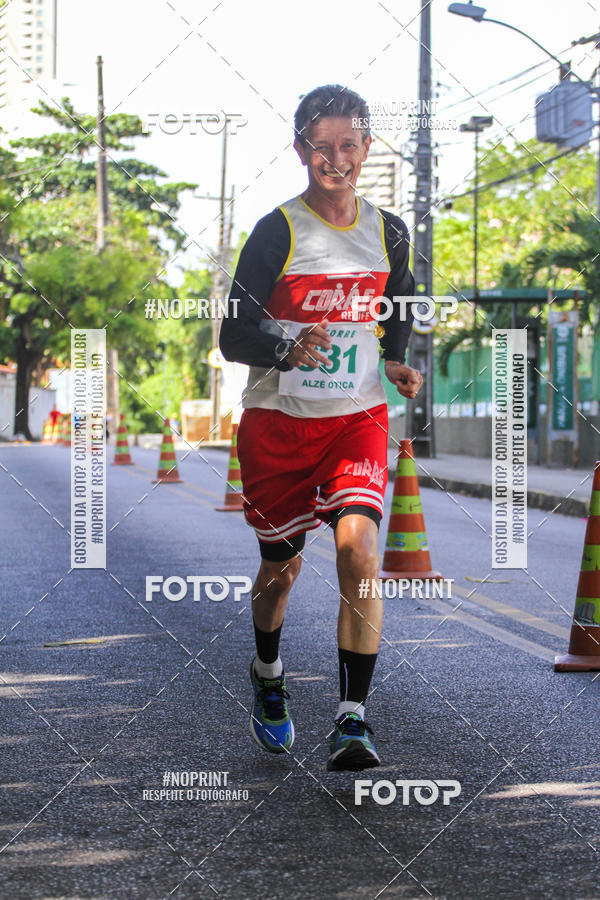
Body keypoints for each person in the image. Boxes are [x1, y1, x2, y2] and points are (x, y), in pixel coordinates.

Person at [220, 84, 422, 771]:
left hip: (355, 420)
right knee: (280, 571)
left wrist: (396, 362)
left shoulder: (389, 230)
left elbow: (401, 306)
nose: (334, 159)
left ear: (367, 148)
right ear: (301, 148)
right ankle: (268, 675)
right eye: (320, 146)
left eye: (348, 145)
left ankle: (351, 719)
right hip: (278, 424)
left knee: (359, 548)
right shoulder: (277, 230)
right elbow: (231, 334)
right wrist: (283, 344)